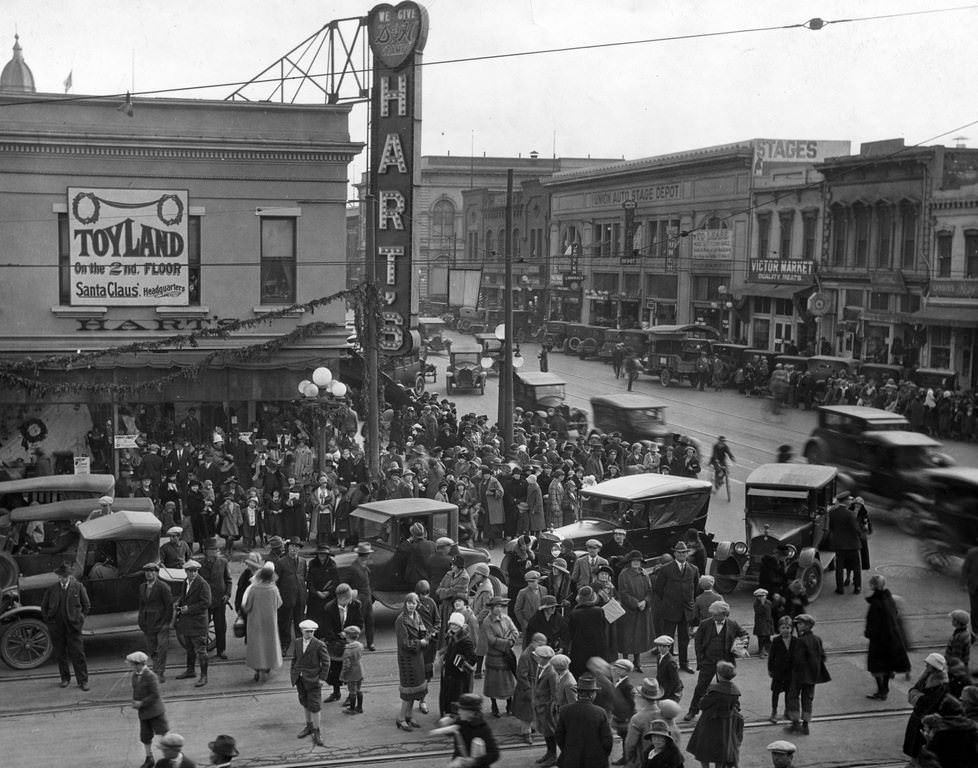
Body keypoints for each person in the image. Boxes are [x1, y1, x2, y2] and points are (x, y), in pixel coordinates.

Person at [684, 602, 747, 723]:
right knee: (700, 687)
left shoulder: (732, 624)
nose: (713, 617)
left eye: (716, 615)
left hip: (725, 662)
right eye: (712, 614)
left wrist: (740, 648)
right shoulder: (705, 624)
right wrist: (700, 659)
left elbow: (744, 634)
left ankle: (735, 708)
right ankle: (693, 711)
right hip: (708, 661)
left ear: (724, 614)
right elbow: (698, 642)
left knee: (726, 686)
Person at [863, 574, 911, 701]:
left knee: (877, 666)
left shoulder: (876, 603)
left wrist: (868, 633)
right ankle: (884, 688)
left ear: (873, 585)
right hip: (891, 638)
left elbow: (872, 622)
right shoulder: (888, 599)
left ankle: (881, 690)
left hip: (879, 640)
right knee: (887, 665)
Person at [686, 660, 743, 768]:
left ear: (719, 674)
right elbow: (736, 706)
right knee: (721, 752)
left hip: (709, 723)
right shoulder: (734, 691)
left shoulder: (714, 690)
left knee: (704, 752)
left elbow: (702, 704)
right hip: (725, 724)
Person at [654, 542, 699, 675]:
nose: (682, 555)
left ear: (687, 554)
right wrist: (669, 601)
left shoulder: (693, 569)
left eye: (684, 552)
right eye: (679, 552)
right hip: (670, 609)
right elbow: (658, 588)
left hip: (686, 610)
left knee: (684, 639)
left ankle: (684, 664)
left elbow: (695, 588)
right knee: (667, 639)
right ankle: (666, 665)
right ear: (675, 554)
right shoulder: (666, 569)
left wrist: (689, 602)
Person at [554, 673, 613, 768]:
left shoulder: (564, 710)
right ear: (591, 694)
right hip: (595, 760)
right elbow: (607, 741)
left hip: (571, 759)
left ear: (578, 693)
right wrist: (602, 755)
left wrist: (568, 750)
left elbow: (559, 736)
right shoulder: (600, 712)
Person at [784, 613, 830, 735]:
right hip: (812, 676)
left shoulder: (800, 641)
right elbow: (823, 657)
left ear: (807, 626)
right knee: (808, 698)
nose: (798, 626)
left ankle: (795, 723)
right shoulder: (817, 639)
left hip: (799, 675)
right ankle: (806, 725)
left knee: (792, 696)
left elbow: (796, 659)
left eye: (800, 623)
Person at [322, 583, 365, 704]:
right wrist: (337, 637)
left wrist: (350, 634)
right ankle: (336, 692)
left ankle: (350, 695)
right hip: (335, 644)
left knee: (351, 670)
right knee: (335, 670)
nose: (351, 601)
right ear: (340, 599)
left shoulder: (355, 605)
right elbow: (326, 628)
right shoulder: (329, 608)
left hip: (350, 643)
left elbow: (360, 623)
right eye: (348, 599)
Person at [241, 561, 283, 684]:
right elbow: (279, 604)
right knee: (269, 646)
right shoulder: (274, 589)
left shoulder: (254, 589)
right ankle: (267, 668)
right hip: (270, 623)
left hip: (255, 623)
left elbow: (247, 606)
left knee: (257, 646)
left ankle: (258, 669)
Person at [903, 653, 950, 762]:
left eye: (928, 665)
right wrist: (916, 695)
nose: (926, 667)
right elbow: (913, 690)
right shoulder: (926, 676)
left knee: (920, 747)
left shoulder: (941, 683)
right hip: (918, 716)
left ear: (934, 667)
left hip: (926, 718)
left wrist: (915, 696)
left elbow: (926, 701)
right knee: (913, 746)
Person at [290, 619, 329, 747]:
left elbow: (326, 662)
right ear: (301, 631)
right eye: (307, 632)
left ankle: (317, 731)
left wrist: (322, 678)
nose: (309, 634)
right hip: (300, 679)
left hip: (313, 680)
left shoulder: (319, 644)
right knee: (305, 702)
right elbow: (294, 659)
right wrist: (293, 673)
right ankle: (309, 726)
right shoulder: (297, 642)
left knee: (315, 706)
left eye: (312, 632)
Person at [396, 591, 431, 730]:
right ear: (405, 604)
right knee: (408, 690)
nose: (411, 605)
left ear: (417, 605)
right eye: (409, 603)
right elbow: (404, 643)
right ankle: (400, 718)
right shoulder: (401, 620)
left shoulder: (417, 615)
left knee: (414, 689)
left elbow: (422, 630)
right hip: (407, 659)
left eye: (414, 603)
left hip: (417, 657)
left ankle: (409, 716)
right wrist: (420, 643)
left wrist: (427, 637)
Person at [174, 559, 212, 687]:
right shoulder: (185, 582)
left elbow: (206, 603)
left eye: (195, 571)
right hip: (187, 622)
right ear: (186, 571)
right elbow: (184, 597)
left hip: (198, 623)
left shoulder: (203, 584)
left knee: (201, 650)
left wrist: (189, 609)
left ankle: (204, 676)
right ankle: (190, 670)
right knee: (189, 648)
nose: (193, 573)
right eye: (190, 571)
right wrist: (179, 603)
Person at [127, 651, 168, 768]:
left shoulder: (151, 676)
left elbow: (155, 694)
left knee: (163, 733)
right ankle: (149, 758)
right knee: (145, 736)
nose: (131, 667)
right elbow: (136, 691)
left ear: (138, 664)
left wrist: (141, 703)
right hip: (144, 713)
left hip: (155, 712)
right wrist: (135, 701)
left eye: (132, 665)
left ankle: (170, 756)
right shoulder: (135, 676)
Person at [482, 595, 519, 717]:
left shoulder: (506, 619)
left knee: (508, 682)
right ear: (491, 608)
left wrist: (511, 641)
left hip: (506, 656)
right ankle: (494, 705)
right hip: (494, 657)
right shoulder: (487, 622)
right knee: (493, 682)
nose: (498, 609)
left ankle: (510, 704)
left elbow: (515, 632)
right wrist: (506, 643)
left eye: (500, 606)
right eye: (496, 606)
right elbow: (491, 639)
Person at [618, 550, 655, 672]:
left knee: (639, 637)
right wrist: (636, 603)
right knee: (627, 637)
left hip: (642, 610)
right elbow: (623, 593)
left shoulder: (644, 574)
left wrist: (645, 601)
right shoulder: (624, 574)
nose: (636, 563)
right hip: (629, 610)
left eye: (638, 561)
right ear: (630, 562)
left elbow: (650, 591)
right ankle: (625, 662)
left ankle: (637, 662)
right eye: (634, 561)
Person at [138, 562, 173, 682]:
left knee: (162, 649)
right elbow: (142, 605)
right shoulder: (142, 587)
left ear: (156, 573)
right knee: (151, 648)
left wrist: (166, 623)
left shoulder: (163, 587)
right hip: (148, 623)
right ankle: (155, 669)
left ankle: (160, 673)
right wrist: (141, 620)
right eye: (147, 572)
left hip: (161, 622)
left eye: (152, 571)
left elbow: (169, 607)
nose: (149, 574)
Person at [274, 537, 308, 655]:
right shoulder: (281, 562)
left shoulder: (303, 562)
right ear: (288, 548)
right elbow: (275, 581)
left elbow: (304, 577)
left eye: (297, 547)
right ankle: (284, 645)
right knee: (285, 623)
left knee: (300, 622)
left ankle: (300, 646)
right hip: (286, 598)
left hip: (300, 597)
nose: (294, 549)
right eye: (292, 546)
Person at [447, 692, 501, 767]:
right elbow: (450, 733)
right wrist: (446, 724)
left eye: (462, 710)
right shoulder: (460, 721)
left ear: (471, 713)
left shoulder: (482, 729)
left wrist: (473, 761)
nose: (459, 712)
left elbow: (494, 754)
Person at [440, 610, 477, 716]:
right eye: (452, 624)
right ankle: (451, 715)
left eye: (456, 624)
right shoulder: (451, 636)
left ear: (461, 625)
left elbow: (473, 659)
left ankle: (457, 719)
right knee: (450, 697)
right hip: (450, 674)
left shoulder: (466, 640)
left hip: (459, 678)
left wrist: (461, 664)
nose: (454, 626)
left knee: (457, 698)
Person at [200, 538, 232, 660]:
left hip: (220, 600)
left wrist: (227, 594)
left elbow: (228, 580)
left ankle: (221, 650)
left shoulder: (223, 562)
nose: (215, 552)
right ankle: (202, 651)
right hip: (205, 601)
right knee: (203, 627)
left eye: (216, 549)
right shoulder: (200, 565)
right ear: (206, 551)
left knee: (220, 626)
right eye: (212, 549)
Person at [567, 586, 609, 677]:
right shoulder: (599, 611)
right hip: (597, 647)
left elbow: (570, 633)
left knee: (579, 675)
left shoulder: (574, 613)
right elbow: (603, 628)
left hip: (580, 649)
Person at [514, 633, 547, 744]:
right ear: (534, 642)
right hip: (527, 688)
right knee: (526, 713)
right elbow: (521, 675)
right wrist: (528, 690)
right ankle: (526, 733)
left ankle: (530, 729)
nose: (543, 647)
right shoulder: (525, 656)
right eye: (541, 644)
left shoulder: (537, 653)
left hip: (535, 686)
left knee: (532, 711)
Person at [828, 493, 863, 595]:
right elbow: (856, 529)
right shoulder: (850, 514)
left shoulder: (833, 513)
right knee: (856, 567)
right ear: (845, 501)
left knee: (839, 567)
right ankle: (857, 587)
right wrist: (861, 535)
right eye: (849, 499)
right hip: (852, 545)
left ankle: (840, 589)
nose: (850, 501)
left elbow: (832, 528)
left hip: (839, 545)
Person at [531, 644, 559, 767]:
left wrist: (550, 708)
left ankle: (553, 756)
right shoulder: (541, 667)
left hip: (547, 707)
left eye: (537, 657)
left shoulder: (551, 672)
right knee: (545, 732)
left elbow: (555, 693)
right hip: (540, 705)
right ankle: (549, 753)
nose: (535, 658)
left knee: (550, 732)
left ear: (544, 658)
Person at [767, 616, 795, 724]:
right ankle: (774, 711)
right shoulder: (776, 641)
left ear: (791, 628)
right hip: (778, 671)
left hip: (790, 672)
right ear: (779, 629)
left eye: (788, 627)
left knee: (789, 692)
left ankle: (787, 711)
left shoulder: (795, 641)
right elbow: (771, 656)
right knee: (776, 692)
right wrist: (770, 669)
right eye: (783, 627)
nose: (785, 630)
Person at [349, 542, 376, 650]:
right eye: (368, 554)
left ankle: (370, 643)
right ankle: (354, 642)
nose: (369, 556)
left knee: (370, 621)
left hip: (367, 597)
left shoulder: (364, 566)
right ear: (364, 555)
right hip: (360, 598)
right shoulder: (354, 568)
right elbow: (348, 583)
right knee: (358, 622)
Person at [340, 625, 365, 714]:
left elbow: (346, 665)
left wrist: (343, 675)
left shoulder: (348, 650)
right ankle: (360, 707)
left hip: (351, 672)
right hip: (359, 670)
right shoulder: (360, 646)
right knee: (358, 689)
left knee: (352, 691)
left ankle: (352, 708)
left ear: (347, 636)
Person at [654, 635, 682, 703]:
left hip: (670, 691)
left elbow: (675, 680)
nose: (661, 648)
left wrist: (668, 694)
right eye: (659, 646)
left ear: (669, 647)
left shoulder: (671, 662)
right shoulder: (659, 656)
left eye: (664, 646)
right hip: (662, 686)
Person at [753, 588, 774, 658]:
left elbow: (769, 612)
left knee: (767, 637)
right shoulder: (756, 603)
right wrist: (762, 604)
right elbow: (758, 611)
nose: (761, 597)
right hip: (760, 623)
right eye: (759, 596)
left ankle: (767, 650)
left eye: (763, 596)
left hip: (767, 622)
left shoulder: (768, 602)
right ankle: (761, 650)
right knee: (761, 637)